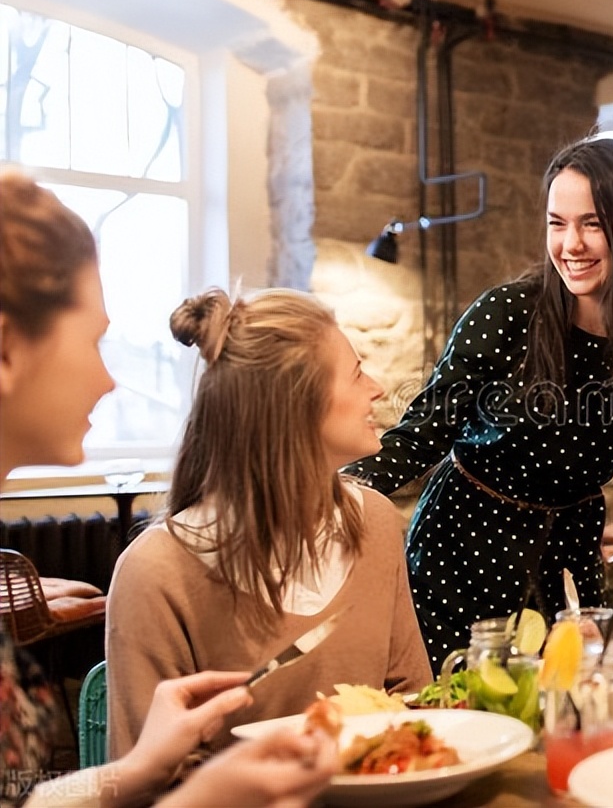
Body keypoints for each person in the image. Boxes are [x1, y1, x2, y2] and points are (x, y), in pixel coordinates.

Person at [0, 171, 336, 807]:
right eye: (95, 340)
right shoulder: (157, 568)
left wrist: (138, 771)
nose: (109, 381)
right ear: (8, 348)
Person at [344, 136, 613, 669]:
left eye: (593, 223)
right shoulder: (506, 313)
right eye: (556, 223)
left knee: (576, 709)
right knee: (465, 715)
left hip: (570, 562)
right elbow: (422, 434)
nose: (571, 244)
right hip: (465, 549)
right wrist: (334, 496)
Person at [106, 286, 432, 757]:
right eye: (357, 373)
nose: (377, 388)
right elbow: (146, 782)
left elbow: (413, 706)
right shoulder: (155, 574)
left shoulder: (377, 521)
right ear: (294, 409)